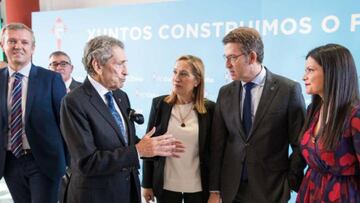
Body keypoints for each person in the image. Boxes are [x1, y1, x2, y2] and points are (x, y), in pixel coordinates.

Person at [60, 35, 184, 203]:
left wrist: (157, 147)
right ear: (97, 65)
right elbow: (87, 162)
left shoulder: (120, 96)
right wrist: (139, 150)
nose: (126, 71)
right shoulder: (74, 101)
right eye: (119, 64)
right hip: (95, 196)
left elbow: (124, 142)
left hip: (127, 192)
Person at [208, 27, 307, 203]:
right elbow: (218, 144)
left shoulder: (288, 90)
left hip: (271, 190)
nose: (227, 64)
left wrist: (291, 182)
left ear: (252, 57)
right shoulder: (225, 93)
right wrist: (214, 189)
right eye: (226, 58)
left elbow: (300, 143)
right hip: (232, 190)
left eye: (233, 57)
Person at [0, 23, 67, 203]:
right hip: (9, 162)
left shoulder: (51, 79)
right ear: (2, 45)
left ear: (33, 48)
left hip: (44, 161)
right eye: (12, 41)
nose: (18, 46)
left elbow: (65, 124)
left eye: (24, 42)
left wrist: (67, 161)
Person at [142, 55, 215, 203]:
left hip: (198, 188)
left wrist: (215, 192)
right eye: (175, 72)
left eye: (183, 74)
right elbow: (149, 147)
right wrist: (146, 184)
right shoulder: (159, 105)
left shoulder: (211, 109)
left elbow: (215, 154)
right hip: (165, 187)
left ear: (197, 81)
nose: (176, 78)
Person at [296, 44, 360, 202]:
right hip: (310, 191)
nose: (304, 77)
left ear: (333, 73)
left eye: (310, 70)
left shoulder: (355, 115)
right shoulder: (313, 109)